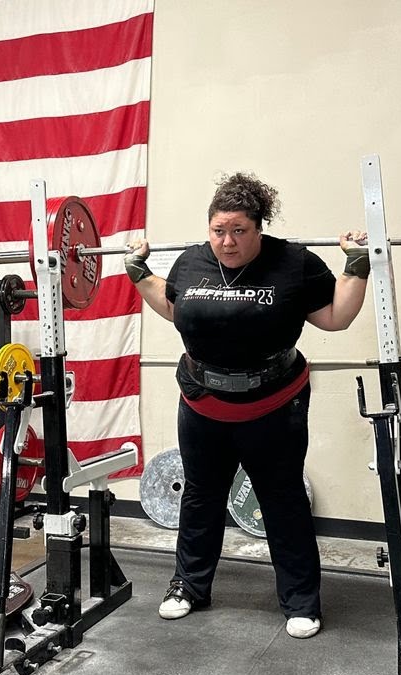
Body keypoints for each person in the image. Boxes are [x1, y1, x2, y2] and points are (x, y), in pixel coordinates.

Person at [124, 172, 368, 639]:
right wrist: (139, 272)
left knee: (282, 498)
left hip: (273, 405)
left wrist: (356, 266)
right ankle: (190, 587)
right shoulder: (191, 264)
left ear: (260, 227)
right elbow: (176, 307)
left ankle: (301, 602)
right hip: (202, 402)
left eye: (239, 230)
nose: (228, 242)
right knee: (200, 496)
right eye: (219, 230)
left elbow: (336, 316)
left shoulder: (293, 263)